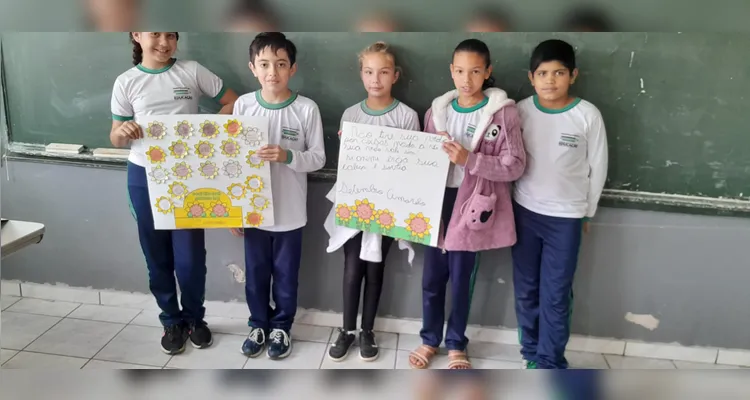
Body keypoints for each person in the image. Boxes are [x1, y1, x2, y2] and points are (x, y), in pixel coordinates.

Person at [110, 32, 238, 355]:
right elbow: (115, 135)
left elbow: (235, 102)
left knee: (191, 258)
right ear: (138, 35)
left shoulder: (192, 72)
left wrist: (205, 128)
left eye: (171, 35)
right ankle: (171, 320)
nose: (164, 42)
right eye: (155, 34)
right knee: (158, 257)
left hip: (188, 177)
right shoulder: (126, 82)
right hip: (144, 177)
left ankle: (195, 318)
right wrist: (122, 131)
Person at [408, 38, 526, 369]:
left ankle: (457, 343)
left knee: (461, 278)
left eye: (475, 71)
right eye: (459, 71)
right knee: (432, 277)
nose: (466, 79)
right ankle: (429, 339)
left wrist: (470, 159)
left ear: (488, 72)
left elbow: (515, 164)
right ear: (451, 71)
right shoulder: (436, 113)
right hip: (435, 202)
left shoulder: (502, 115)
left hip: (472, 204)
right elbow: (414, 156)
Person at [513, 39, 609, 369]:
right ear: (531, 77)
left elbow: (598, 168)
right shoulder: (521, 110)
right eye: (542, 73)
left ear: (573, 75)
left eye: (559, 73)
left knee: (555, 295)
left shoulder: (587, 115)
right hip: (524, 213)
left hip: (566, 218)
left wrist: (587, 212)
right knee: (526, 290)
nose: (550, 80)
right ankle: (530, 353)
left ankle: (551, 361)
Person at [230, 32, 326, 360]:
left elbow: (318, 158)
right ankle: (259, 324)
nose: (273, 71)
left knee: (285, 278)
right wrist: (235, 211)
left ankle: (282, 326)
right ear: (253, 68)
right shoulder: (243, 105)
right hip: (254, 213)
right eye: (265, 64)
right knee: (255, 276)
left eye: (281, 64)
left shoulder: (305, 109)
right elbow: (232, 163)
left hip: (290, 212)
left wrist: (288, 156)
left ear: (293, 68)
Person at [323, 41, 420, 362]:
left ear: (396, 75)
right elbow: (348, 165)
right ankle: (346, 329)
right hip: (354, 204)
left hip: (390, 207)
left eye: (383, 72)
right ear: (361, 74)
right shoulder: (351, 114)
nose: (375, 79)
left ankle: (367, 330)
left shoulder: (407, 116)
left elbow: (412, 166)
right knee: (352, 269)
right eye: (368, 71)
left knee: (375, 269)